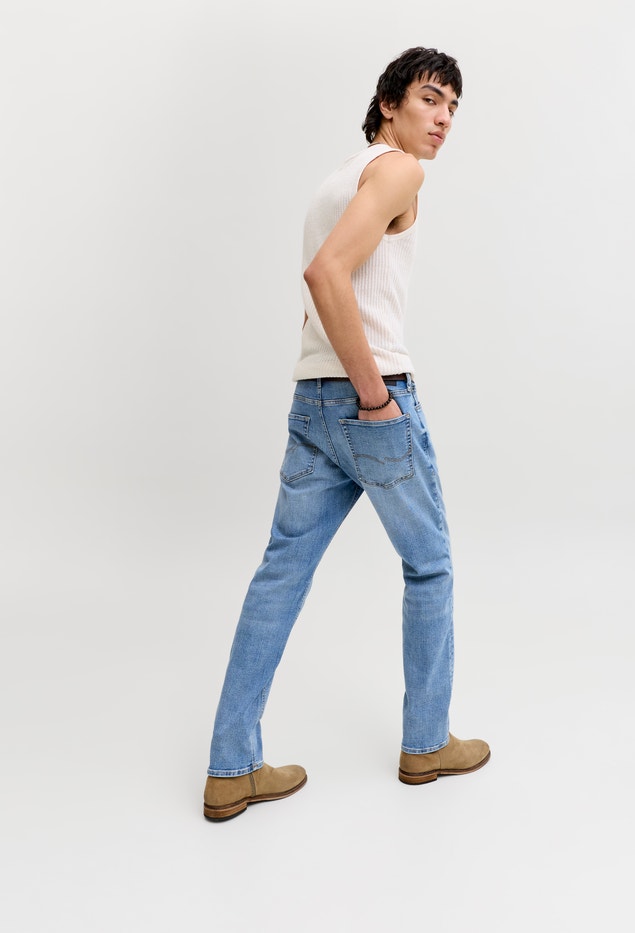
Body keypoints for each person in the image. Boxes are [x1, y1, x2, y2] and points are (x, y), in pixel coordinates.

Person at [203, 47, 490, 822]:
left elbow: (320, 295)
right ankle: (426, 744)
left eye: (454, 107)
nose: (444, 118)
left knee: (280, 575)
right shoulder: (398, 171)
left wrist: (329, 385)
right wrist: (375, 398)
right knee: (429, 566)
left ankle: (231, 767)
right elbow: (326, 276)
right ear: (389, 103)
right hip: (371, 398)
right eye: (430, 98)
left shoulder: (339, 179)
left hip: (311, 400)